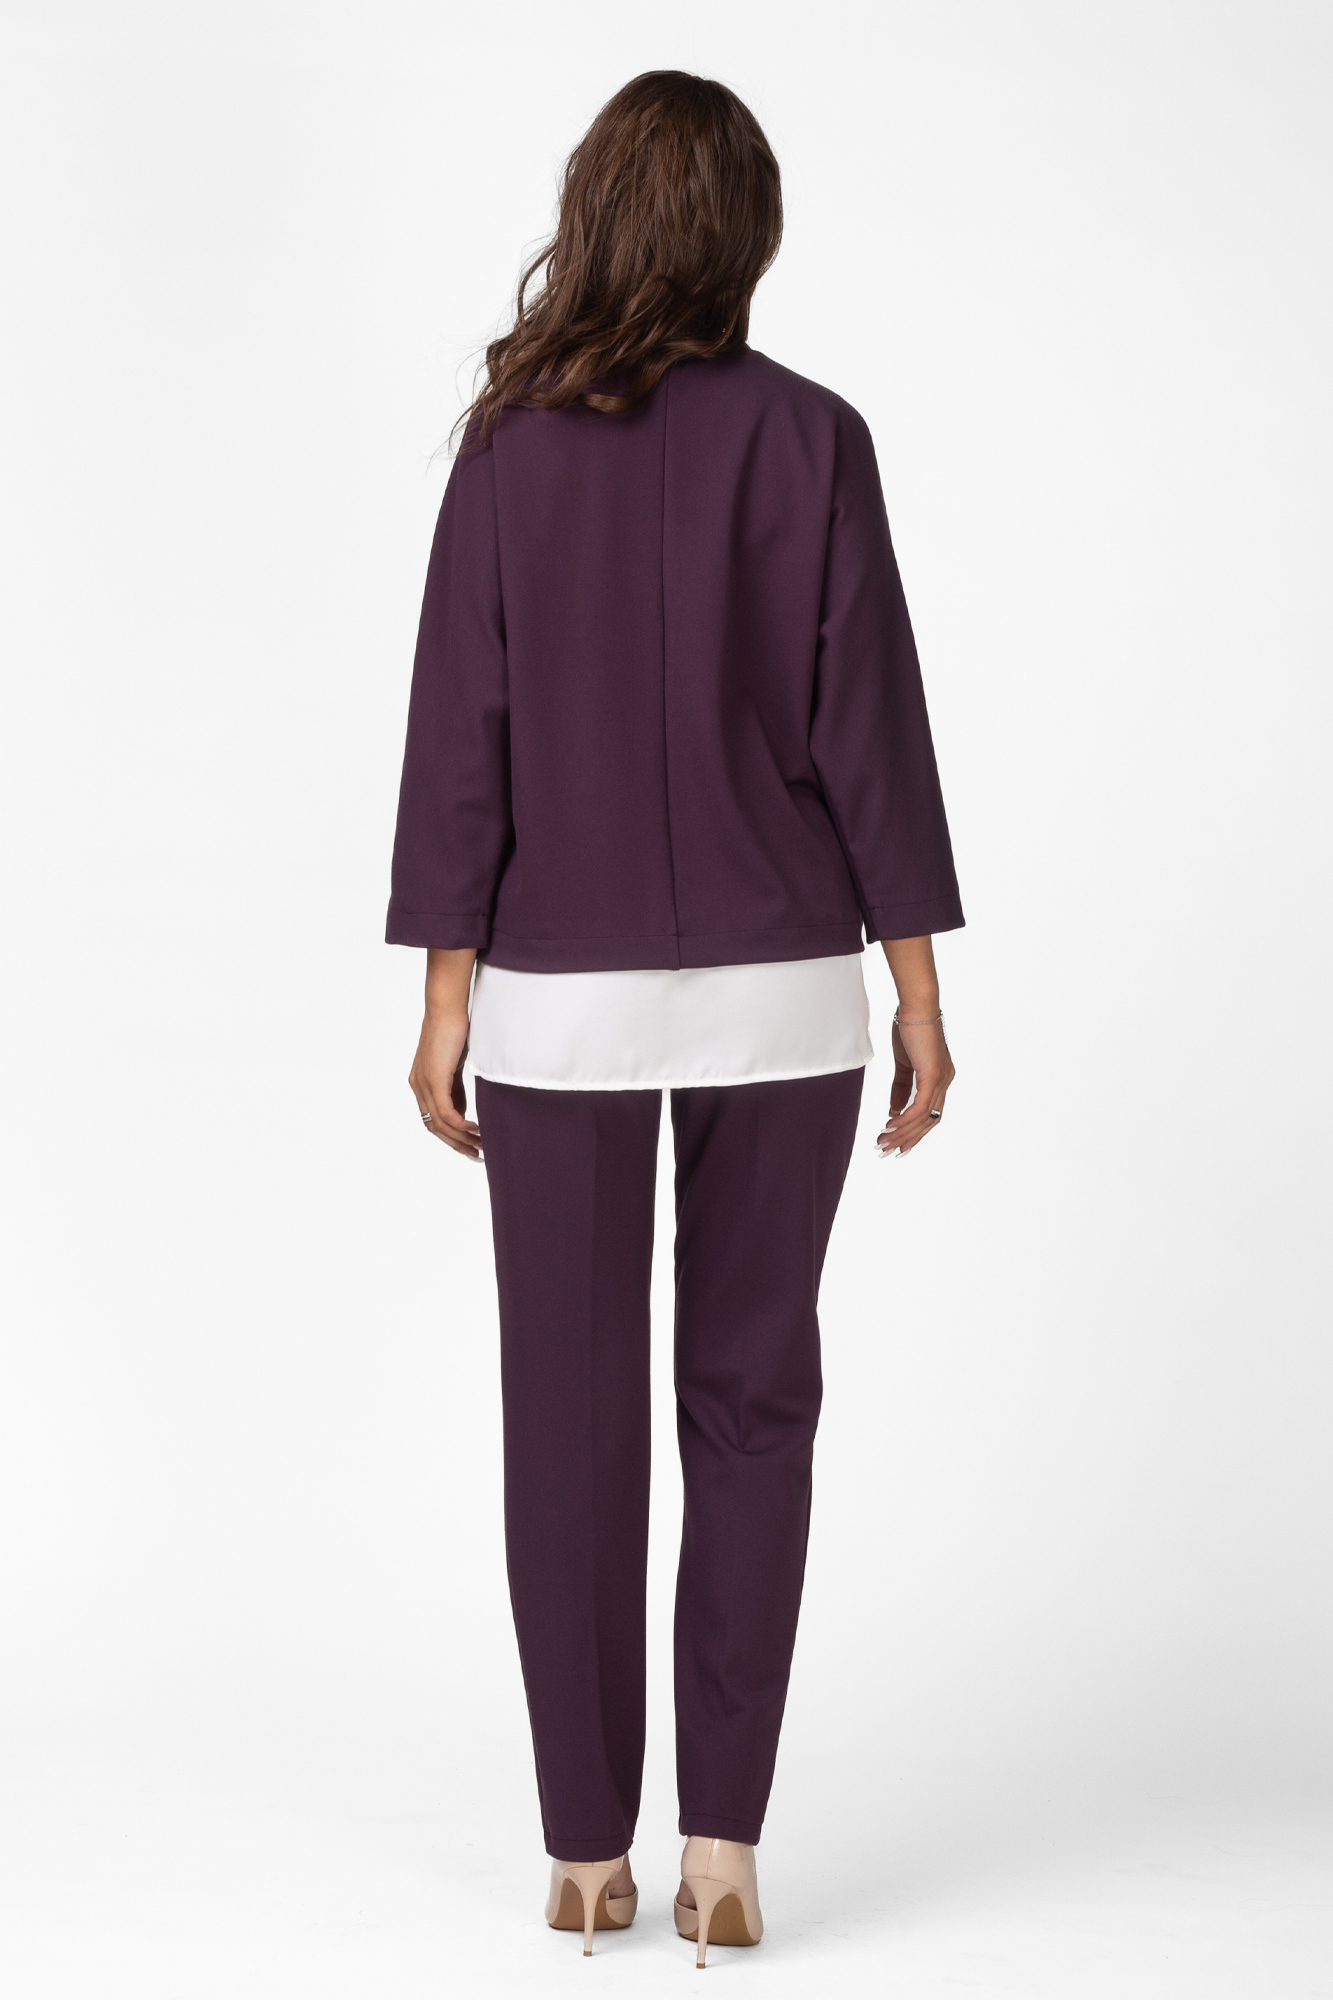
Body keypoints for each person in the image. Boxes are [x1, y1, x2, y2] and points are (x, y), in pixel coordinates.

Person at [386, 69, 962, 1966]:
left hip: (553, 997)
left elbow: (460, 730)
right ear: (746, 231)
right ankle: (721, 1850)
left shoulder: (507, 452)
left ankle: (583, 1854)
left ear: (599, 214)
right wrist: (915, 984)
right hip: (784, 989)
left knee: (566, 1412)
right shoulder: (813, 440)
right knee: (752, 1402)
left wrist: (444, 992)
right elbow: (867, 726)